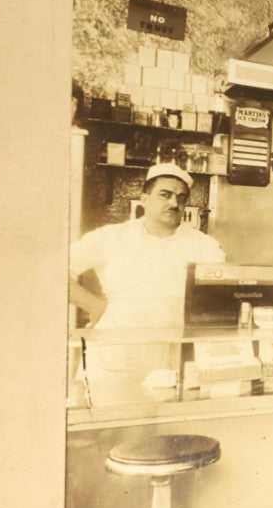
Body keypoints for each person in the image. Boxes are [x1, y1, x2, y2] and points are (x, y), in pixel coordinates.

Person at [69, 162, 225, 405]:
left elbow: (220, 292)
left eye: (181, 197)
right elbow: (54, 272)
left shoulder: (204, 245)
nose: (174, 203)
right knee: (111, 419)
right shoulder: (111, 236)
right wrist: (95, 305)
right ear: (144, 199)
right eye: (165, 194)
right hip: (115, 354)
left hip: (175, 353)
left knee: (168, 422)